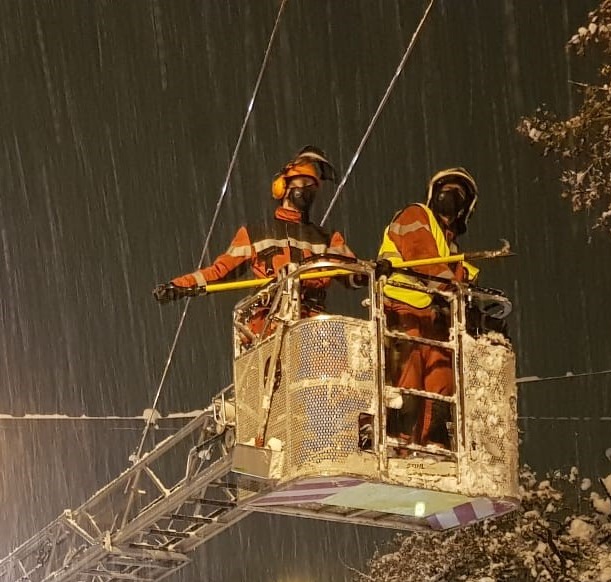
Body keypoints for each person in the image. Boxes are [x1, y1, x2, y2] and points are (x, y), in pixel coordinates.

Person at [155, 147, 354, 342]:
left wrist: (369, 271)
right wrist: (179, 286)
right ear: (282, 187)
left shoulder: (327, 238)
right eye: (301, 183)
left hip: (313, 325)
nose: (306, 191)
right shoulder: (254, 234)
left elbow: (354, 273)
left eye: (311, 187)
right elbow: (219, 272)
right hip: (269, 326)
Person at [377, 167, 481, 449]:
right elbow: (424, 260)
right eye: (447, 191)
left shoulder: (450, 246)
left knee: (441, 385)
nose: (452, 198)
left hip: (434, 322)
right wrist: (453, 290)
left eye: (459, 195)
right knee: (406, 388)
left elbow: (458, 275)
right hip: (404, 312)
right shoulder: (416, 216)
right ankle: (397, 447)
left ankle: (432, 447)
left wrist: (474, 301)